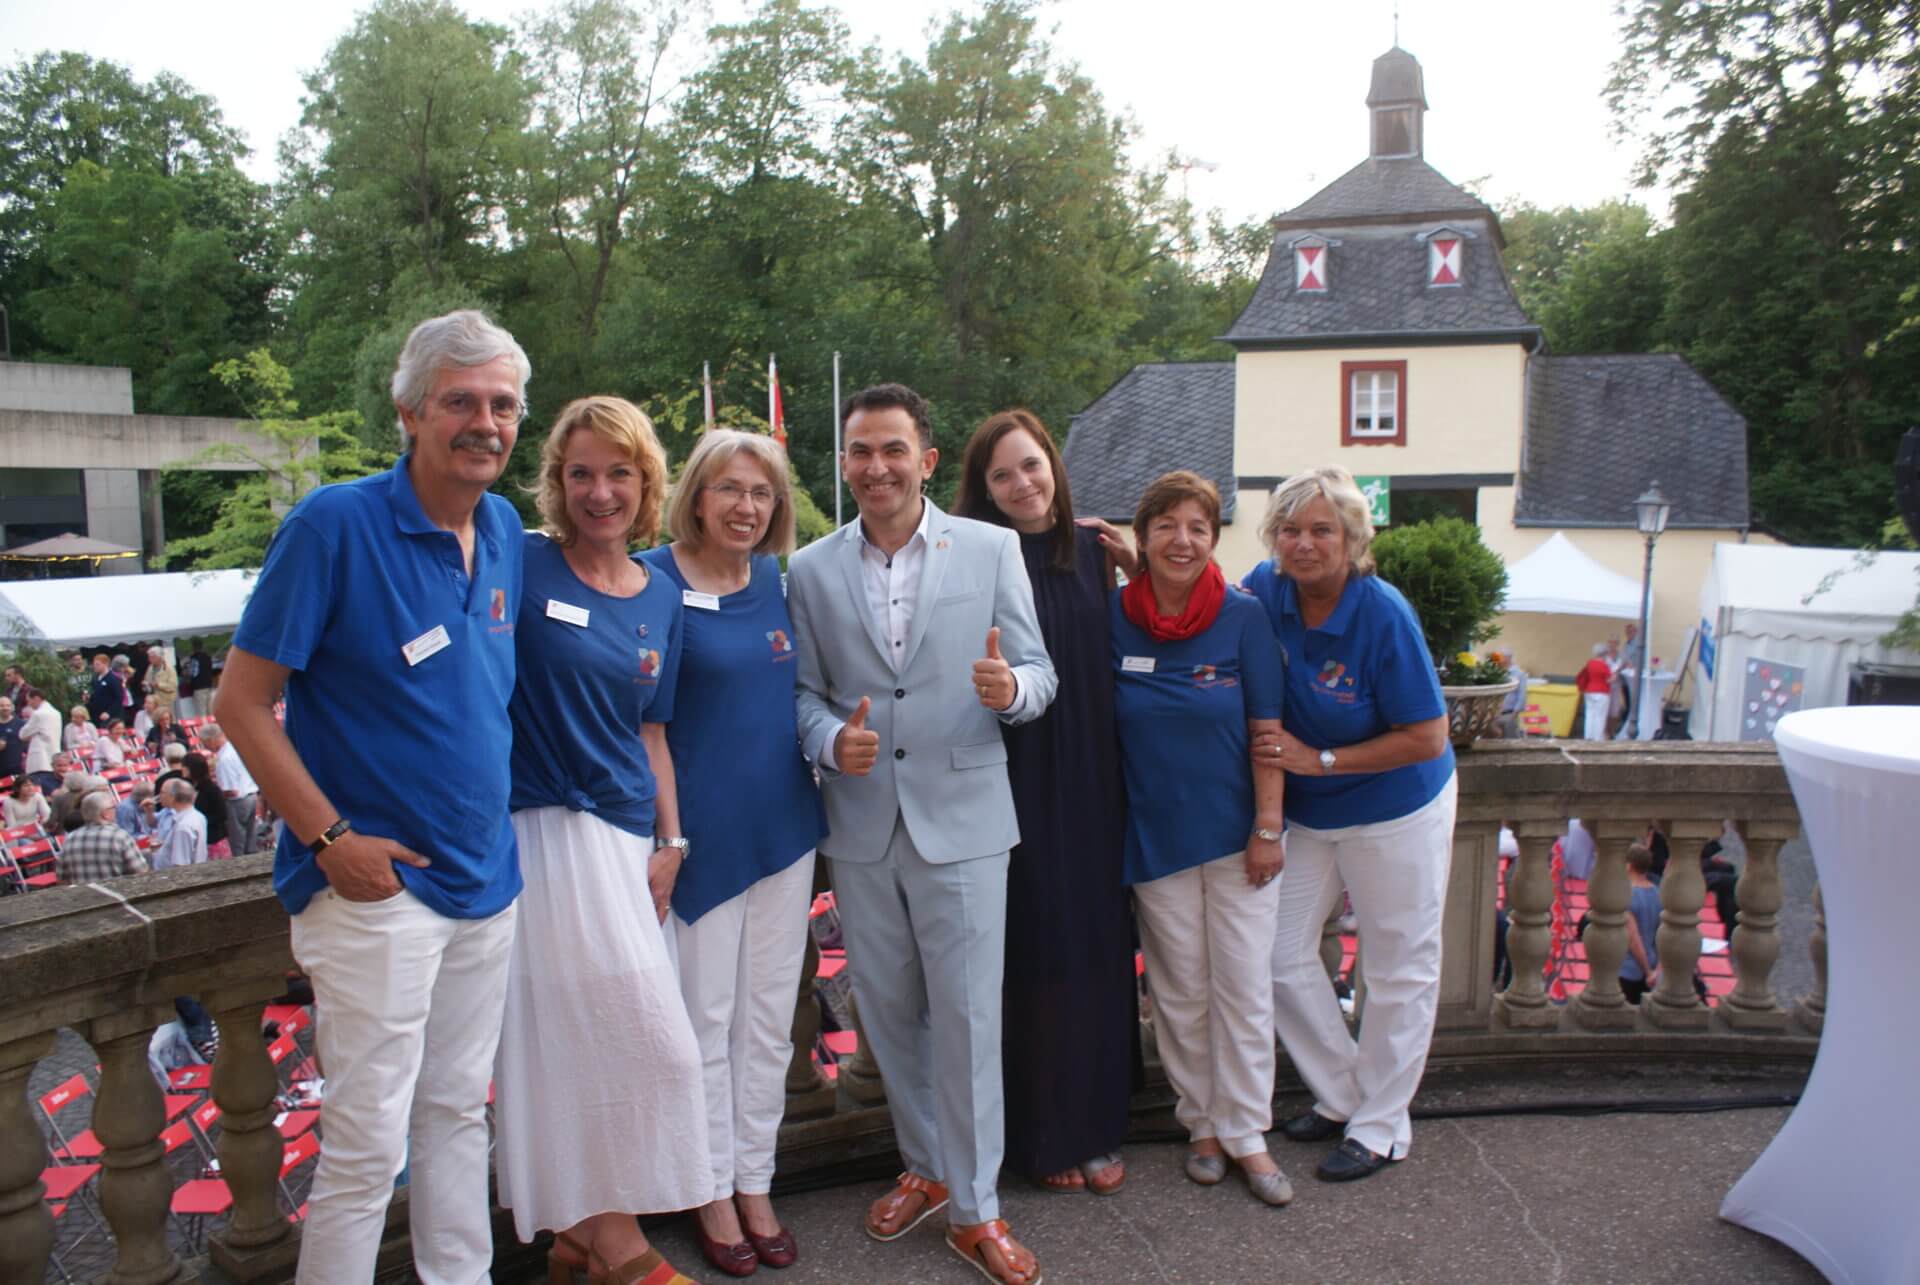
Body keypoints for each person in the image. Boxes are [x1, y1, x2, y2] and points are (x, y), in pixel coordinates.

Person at [219, 308, 530, 1284]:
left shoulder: (504, 529)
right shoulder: (334, 526)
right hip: (375, 893)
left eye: (503, 404)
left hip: (487, 880)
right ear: (409, 412)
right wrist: (330, 840)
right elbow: (240, 703)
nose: (485, 423)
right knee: (364, 1145)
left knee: (457, 1114)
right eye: (461, 401)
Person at [788, 383, 1056, 1285]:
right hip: (862, 823)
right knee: (890, 1013)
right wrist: (832, 739)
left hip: (968, 821)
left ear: (927, 460)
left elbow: (1039, 671)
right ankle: (928, 1167)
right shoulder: (809, 569)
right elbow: (805, 695)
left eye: (893, 449)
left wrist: (1010, 692)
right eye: (861, 451)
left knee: (971, 1018)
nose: (877, 467)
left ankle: (978, 1210)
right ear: (844, 463)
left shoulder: (990, 547)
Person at [493, 396, 707, 1285]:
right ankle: (616, 1243)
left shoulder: (662, 593)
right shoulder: (522, 559)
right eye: (580, 472)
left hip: (626, 840)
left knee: (641, 1044)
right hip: (540, 832)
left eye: (619, 472)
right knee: (594, 1039)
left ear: (646, 481)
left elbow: (652, 732)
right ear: (557, 481)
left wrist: (672, 840)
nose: (599, 491)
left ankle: (580, 1238)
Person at [638, 428, 827, 1275]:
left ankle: (756, 1180)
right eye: (729, 489)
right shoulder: (652, 580)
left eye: (761, 492)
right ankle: (708, 1187)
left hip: (782, 831)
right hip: (697, 841)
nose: (746, 506)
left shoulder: (777, 584)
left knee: (768, 1024)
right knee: (701, 1024)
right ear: (697, 495)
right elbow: (644, 724)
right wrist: (668, 836)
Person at [1243, 466, 1457, 1184]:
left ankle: (1381, 1125)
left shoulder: (1383, 614)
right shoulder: (1264, 589)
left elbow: (1427, 734)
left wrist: (1320, 759)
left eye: (1321, 530)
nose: (1303, 543)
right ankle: (1342, 1093)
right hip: (1311, 809)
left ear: (1352, 539)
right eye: (1289, 529)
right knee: (1274, 952)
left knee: (1397, 965)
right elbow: (1200, 608)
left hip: (1396, 807)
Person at [951, 408, 1141, 1197]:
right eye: (1002, 474)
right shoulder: (972, 557)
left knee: (1098, 946)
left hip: (1094, 775)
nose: (1022, 483)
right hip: (1016, 773)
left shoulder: (1096, 551)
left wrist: (1137, 564)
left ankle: (1098, 1124)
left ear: (1054, 465)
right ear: (984, 490)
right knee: (1031, 953)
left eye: (1031, 464)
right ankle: (1041, 1132)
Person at [1105, 470, 1291, 1206]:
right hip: (1154, 838)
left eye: (1198, 528)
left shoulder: (1243, 617)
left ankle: (1247, 1131)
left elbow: (1268, 733)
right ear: (1143, 537)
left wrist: (1268, 827)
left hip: (1239, 839)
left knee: (1243, 987)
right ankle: (1202, 1126)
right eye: (1166, 526)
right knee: (1179, 992)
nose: (1182, 541)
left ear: (1214, 539)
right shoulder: (1112, 618)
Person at [59, 790, 149, 882]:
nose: (115, 810)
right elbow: (140, 871)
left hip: (82, 891)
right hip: (118, 890)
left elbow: (62, 878)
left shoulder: (69, 839)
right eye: (113, 807)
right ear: (105, 814)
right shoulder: (119, 836)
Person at [202, 724, 260, 855]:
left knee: (238, 843)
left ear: (211, 740)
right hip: (250, 796)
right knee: (250, 841)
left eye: (205, 743)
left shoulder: (224, 759)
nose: (205, 747)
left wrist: (216, 794)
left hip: (238, 802)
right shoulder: (235, 749)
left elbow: (231, 791)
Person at [1619, 843, 1664, 1004]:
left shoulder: (1627, 895)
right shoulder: (1658, 893)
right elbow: (1663, 934)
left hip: (1628, 968)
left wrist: (1647, 971)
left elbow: (1633, 939)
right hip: (1652, 962)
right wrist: (1657, 970)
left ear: (1629, 866)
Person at [183, 752, 232, 859]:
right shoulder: (190, 787)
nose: (182, 769)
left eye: (185, 767)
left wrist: (200, 822)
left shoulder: (211, 789)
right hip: (201, 839)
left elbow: (222, 814)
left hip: (214, 838)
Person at [150, 779, 207, 870]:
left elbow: (181, 866)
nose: (159, 796)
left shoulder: (183, 826)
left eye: (162, 792)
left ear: (173, 797)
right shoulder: (197, 816)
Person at [23, 689, 64, 791]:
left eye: (29, 701)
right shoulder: (57, 713)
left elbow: (22, 734)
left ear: (36, 698)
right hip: (54, 756)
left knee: (40, 790)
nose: (29, 704)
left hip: (39, 760)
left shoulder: (38, 714)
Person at [1576, 644, 1612, 741]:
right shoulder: (1604, 665)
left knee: (1590, 714)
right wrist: (1615, 675)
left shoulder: (1590, 663)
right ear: (1605, 654)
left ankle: (1588, 736)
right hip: (1602, 692)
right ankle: (1598, 737)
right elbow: (1609, 679)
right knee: (1600, 715)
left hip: (1589, 691)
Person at [85, 653, 125, 726]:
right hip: (96, 715)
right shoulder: (95, 678)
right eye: (94, 664)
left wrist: (109, 712)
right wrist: (88, 697)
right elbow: (93, 693)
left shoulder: (114, 679)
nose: (95, 667)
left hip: (109, 717)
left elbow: (119, 698)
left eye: (97, 664)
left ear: (105, 664)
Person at [177, 637, 211, 720]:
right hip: (208, 685)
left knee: (202, 712)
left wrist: (185, 670)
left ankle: (205, 727)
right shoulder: (207, 657)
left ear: (193, 647)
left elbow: (192, 673)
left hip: (199, 687)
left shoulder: (194, 658)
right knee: (210, 711)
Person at [145, 646, 178, 715]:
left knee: (167, 718)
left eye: (152, 657)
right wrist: (146, 684)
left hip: (166, 702)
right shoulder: (150, 668)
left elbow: (173, 686)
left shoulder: (169, 669)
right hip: (153, 703)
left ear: (159, 657)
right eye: (149, 657)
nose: (149, 659)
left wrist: (158, 684)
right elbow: (147, 680)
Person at [0, 696, 25, 782]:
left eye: (8, 705)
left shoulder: (21, 724)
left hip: (16, 771)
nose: (5, 708)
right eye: (2, 705)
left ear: (12, 707)